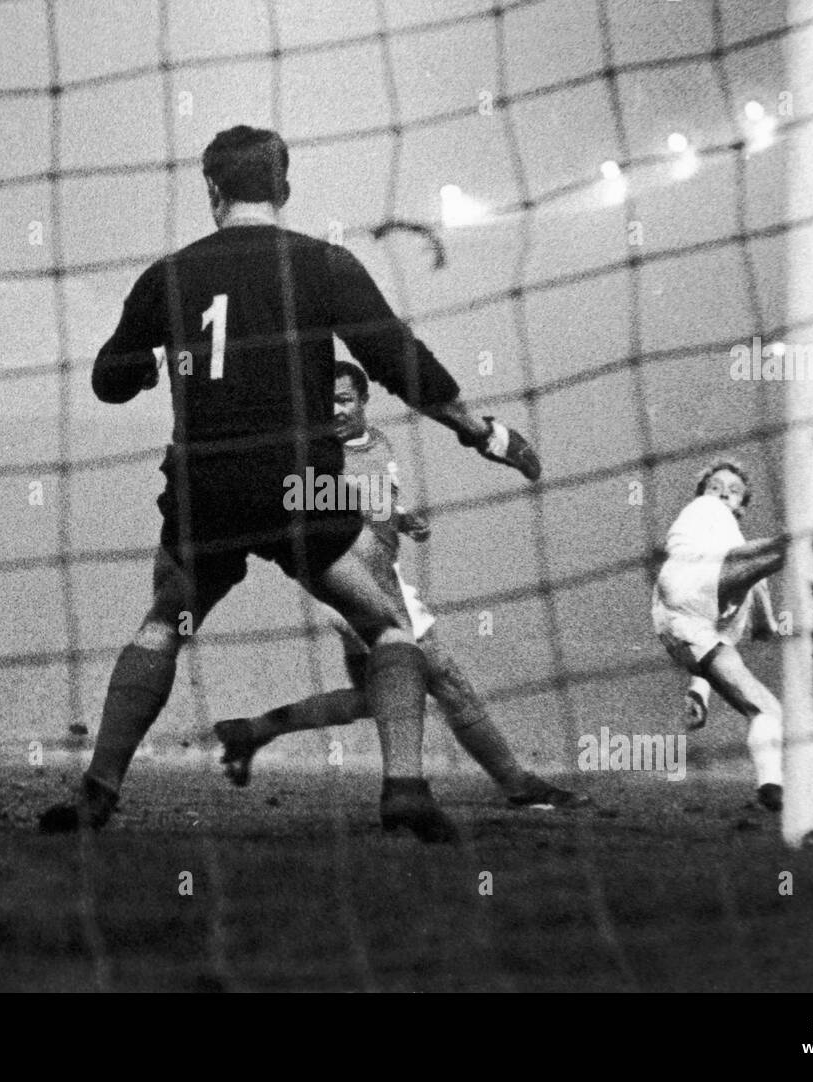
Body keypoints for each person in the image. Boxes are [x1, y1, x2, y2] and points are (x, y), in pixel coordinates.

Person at [38, 125, 542, 843]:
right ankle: (403, 788)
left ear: (211, 188)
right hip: (298, 484)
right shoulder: (323, 264)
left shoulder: (169, 276)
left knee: (164, 623)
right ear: (285, 188)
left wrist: (141, 367)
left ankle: (98, 793)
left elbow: (107, 382)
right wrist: (479, 430)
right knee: (387, 629)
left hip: (205, 482)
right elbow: (398, 360)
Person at [212, 358, 588, 809]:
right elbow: (301, 504)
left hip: (382, 578)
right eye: (324, 401)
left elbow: (377, 499)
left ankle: (252, 731)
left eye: (345, 399)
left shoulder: (381, 445)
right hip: (354, 585)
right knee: (446, 679)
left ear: (365, 401)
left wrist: (402, 519)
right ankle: (517, 784)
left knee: (376, 699)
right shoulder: (314, 456)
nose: (334, 409)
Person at [652, 446, 813, 812]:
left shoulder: (734, 569)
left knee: (767, 710)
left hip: (680, 626)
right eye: (714, 485)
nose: (723, 491)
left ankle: (771, 786)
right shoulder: (705, 510)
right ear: (702, 493)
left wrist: (699, 691)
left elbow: (713, 635)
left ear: (743, 505)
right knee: (788, 545)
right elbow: (745, 582)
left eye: (733, 489)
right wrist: (768, 625)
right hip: (689, 578)